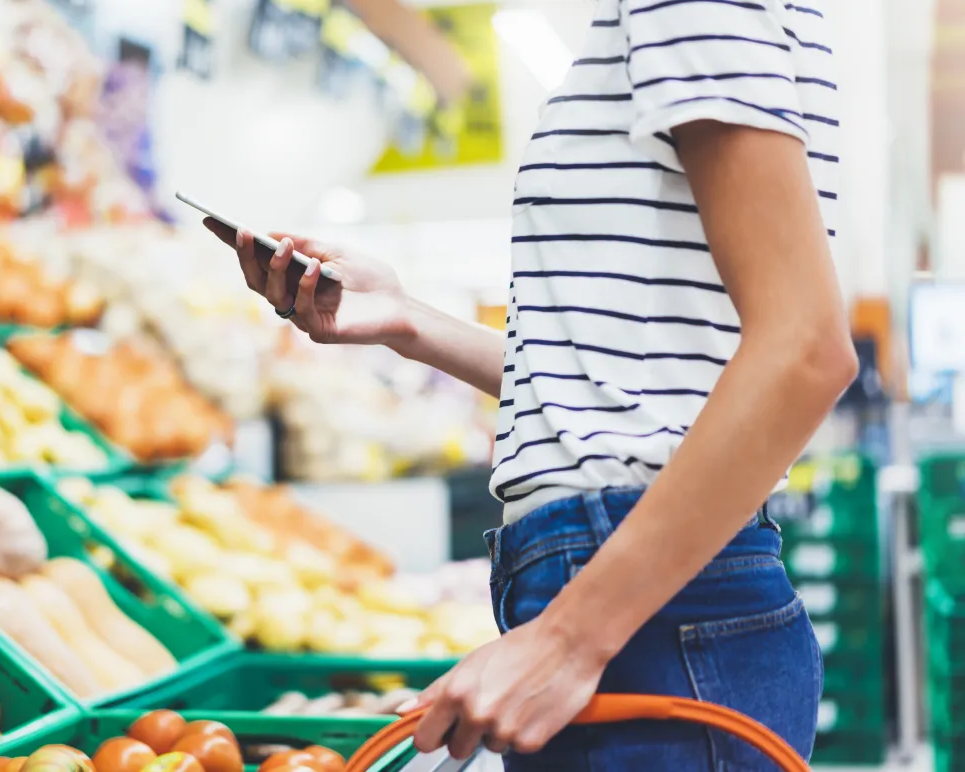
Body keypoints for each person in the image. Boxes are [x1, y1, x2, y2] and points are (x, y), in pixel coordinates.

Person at [207, 0, 852, 768]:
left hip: (649, 612)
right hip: (648, 605)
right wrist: (407, 320)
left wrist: (569, 638)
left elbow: (806, 349)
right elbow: (631, 384)